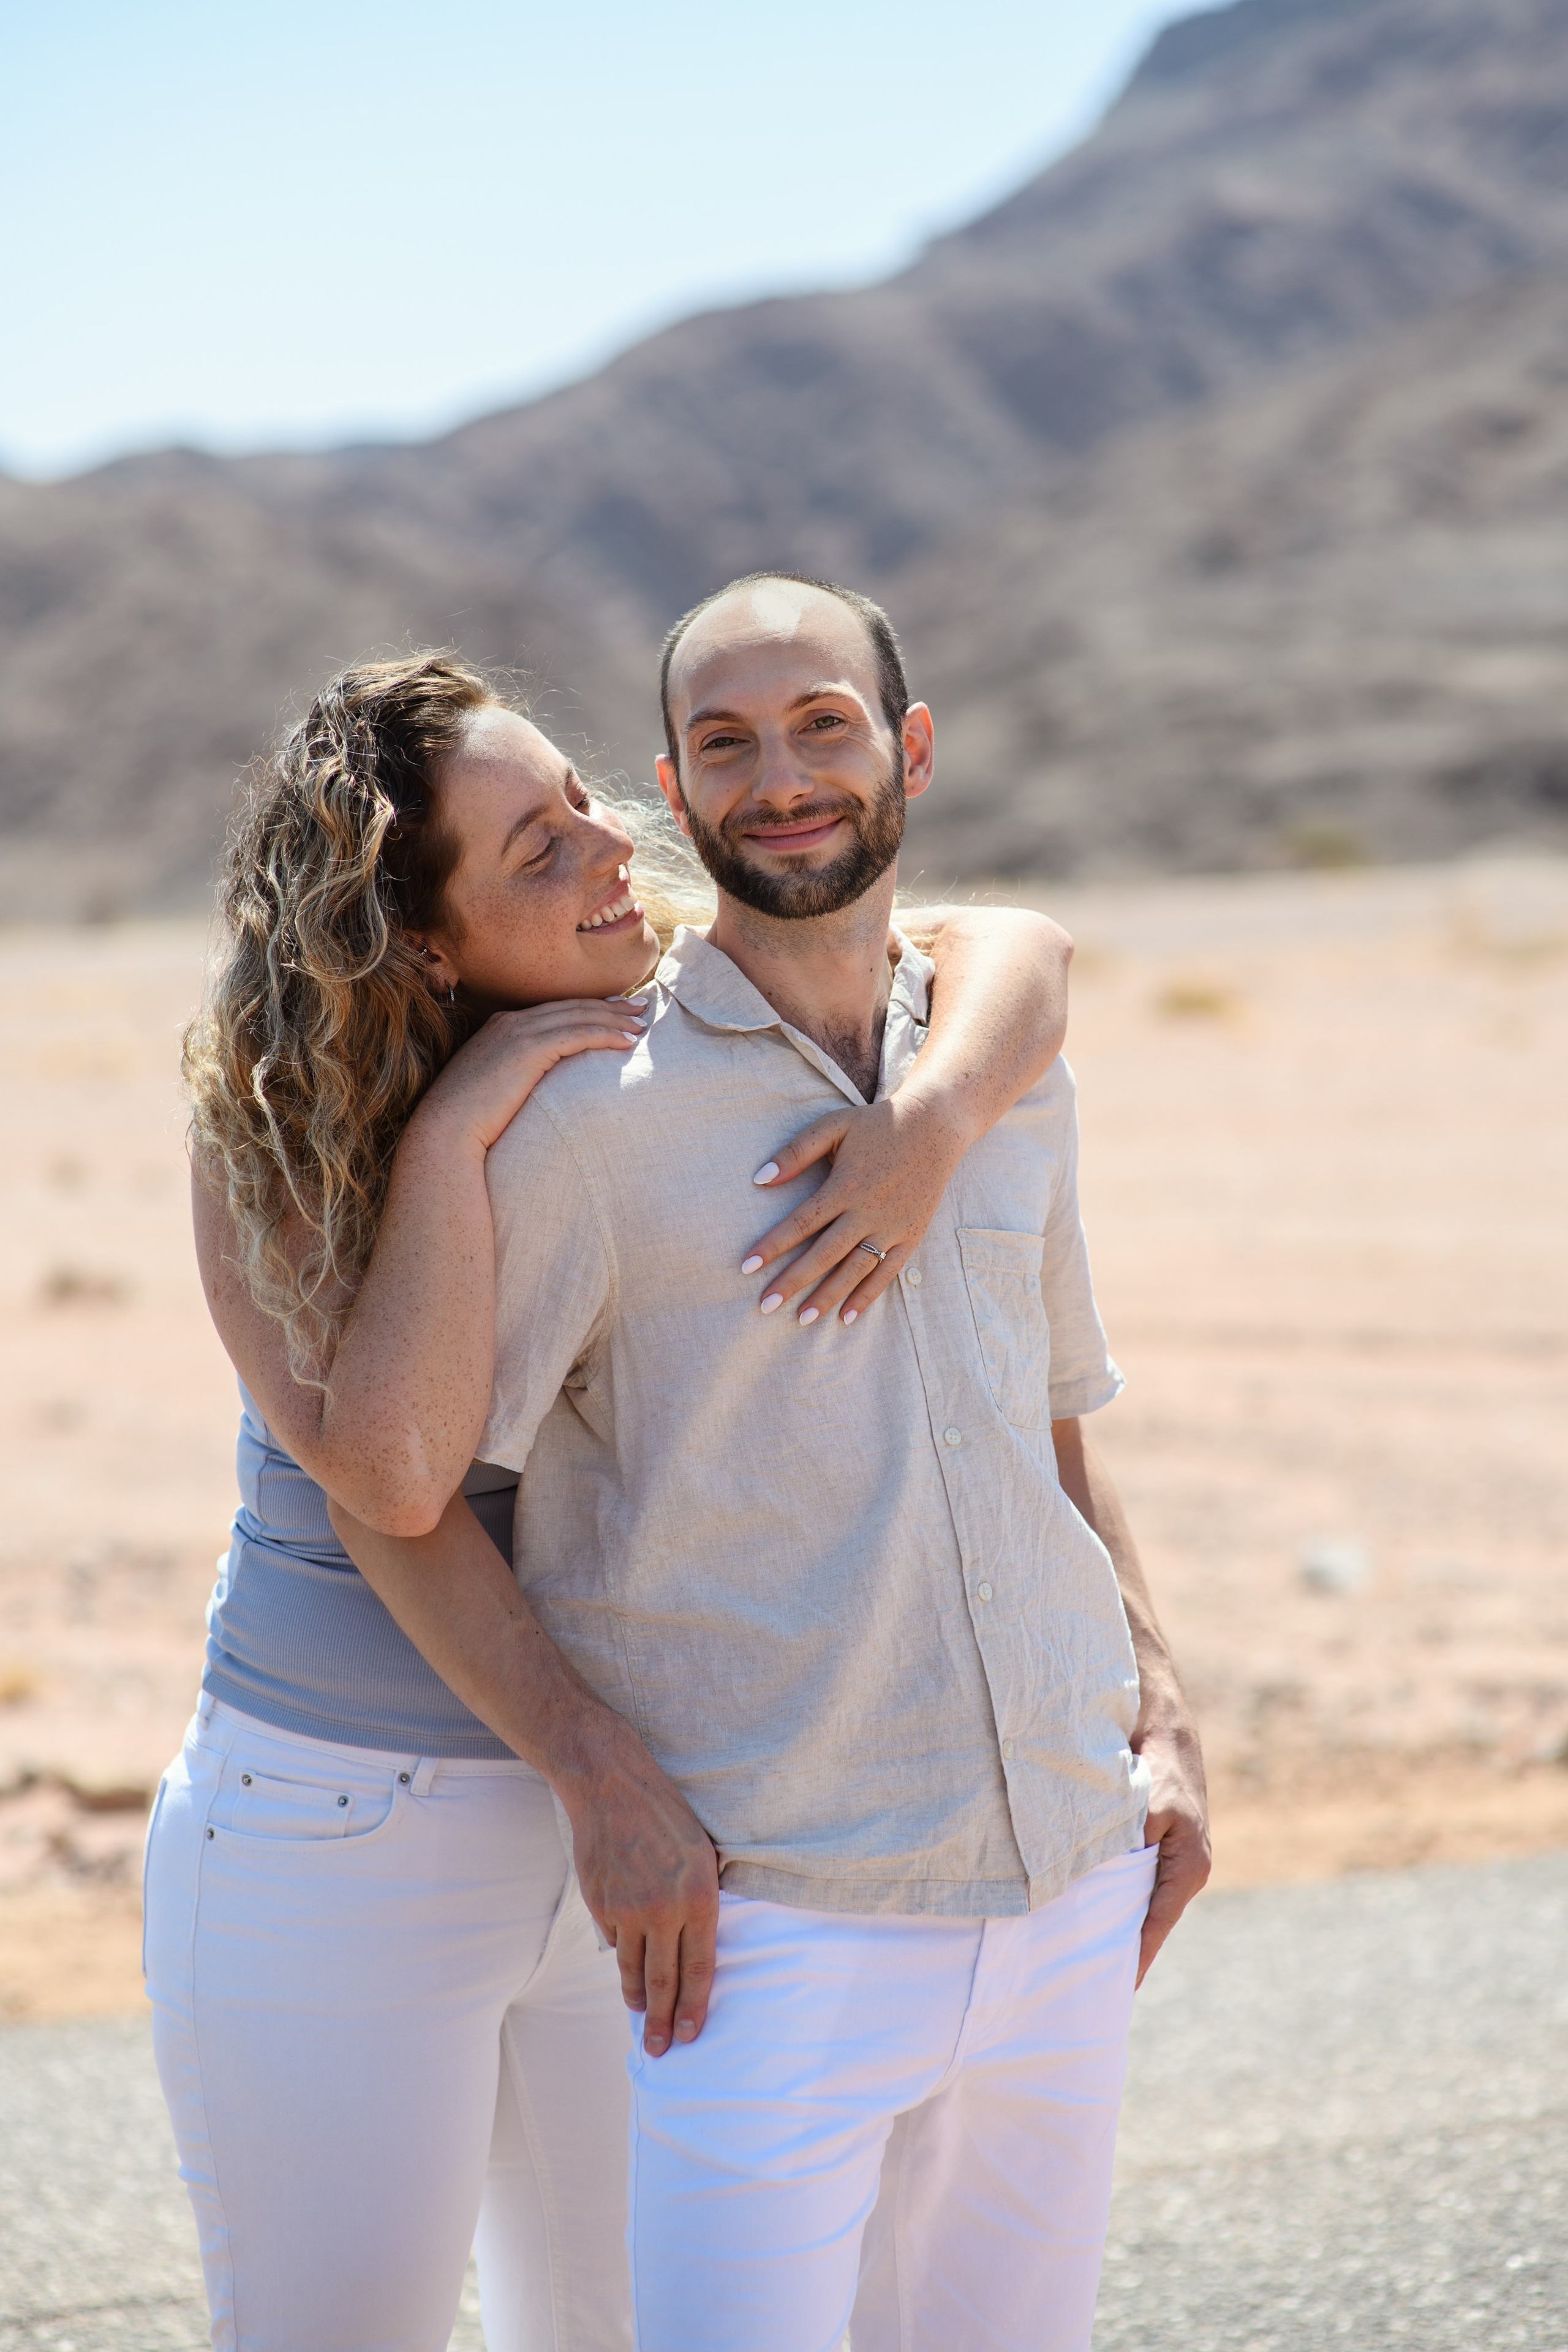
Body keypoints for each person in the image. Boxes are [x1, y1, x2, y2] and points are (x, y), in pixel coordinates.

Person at [145, 647, 1078, 2352]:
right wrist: (460, 1132)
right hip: (343, 1823)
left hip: (630, 1823)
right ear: (421, 943)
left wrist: (930, 1127)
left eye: (579, 797)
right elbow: (396, 1480)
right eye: (535, 848)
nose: (603, 848)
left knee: (614, 2327)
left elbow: (1018, 948)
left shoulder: (661, 1016)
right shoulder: (274, 1129)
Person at [333, 576, 1212, 2352]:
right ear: (676, 784)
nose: (781, 778)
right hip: (773, 1934)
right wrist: (597, 1779)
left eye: (823, 725)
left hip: (1068, 1885)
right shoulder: (586, 1116)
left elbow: (1047, 1412)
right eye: (724, 745)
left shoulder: (1005, 1069)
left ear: (912, 749)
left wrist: (1165, 1702)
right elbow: (398, 1496)